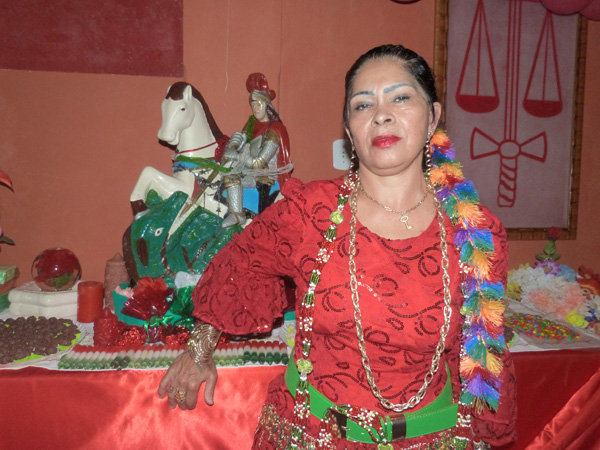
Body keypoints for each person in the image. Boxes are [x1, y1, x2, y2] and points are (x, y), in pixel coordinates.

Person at [158, 44, 516, 449]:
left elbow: (485, 359)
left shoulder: (476, 234)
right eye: (363, 105)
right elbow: (241, 264)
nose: (381, 114)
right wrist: (199, 349)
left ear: (433, 116)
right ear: (349, 129)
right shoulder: (310, 210)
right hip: (310, 436)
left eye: (400, 97)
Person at [220, 73, 293, 228]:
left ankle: (239, 215)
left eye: (258, 104)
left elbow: (259, 162)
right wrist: (233, 144)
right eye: (252, 105)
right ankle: (235, 214)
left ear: (267, 105)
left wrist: (238, 156)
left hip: (264, 177)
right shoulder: (251, 125)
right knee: (226, 177)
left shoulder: (273, 131)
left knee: (233, 178)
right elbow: (241, 141)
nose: (255, 109)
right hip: (249, 172)